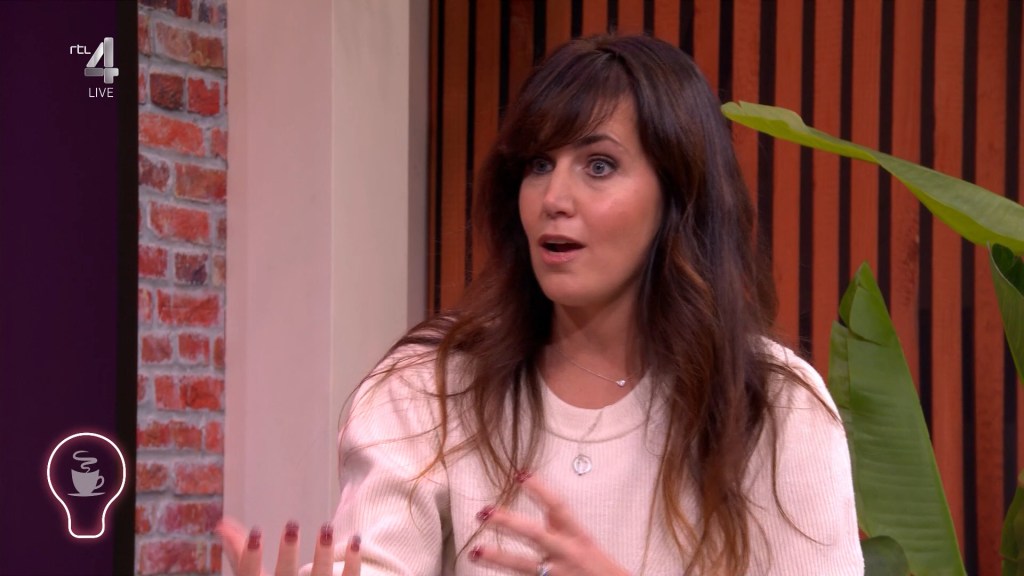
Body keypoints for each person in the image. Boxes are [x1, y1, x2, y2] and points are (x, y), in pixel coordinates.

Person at [219, 34, 863, 575]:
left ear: (678, 194)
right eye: (538, 164)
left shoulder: (774, 405)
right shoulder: (429, 388)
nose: (554, 198)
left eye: (599, 165)